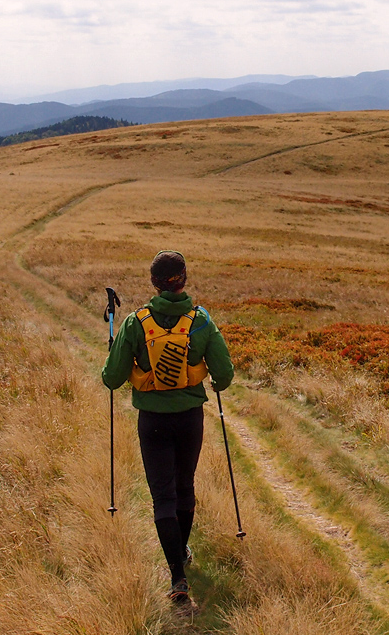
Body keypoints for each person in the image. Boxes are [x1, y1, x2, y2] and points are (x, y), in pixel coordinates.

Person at [102, 251, 234, 606]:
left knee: (163, 496)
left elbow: (111, 379)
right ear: (184, 279)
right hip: (190, 417)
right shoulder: (201, 320)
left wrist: (113, 350)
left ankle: (177, 574)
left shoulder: (134, 322)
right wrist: (213, 381)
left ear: (154, 283)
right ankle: (182, 555)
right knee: (184, 486)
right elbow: (224, 375)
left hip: (153, 422)